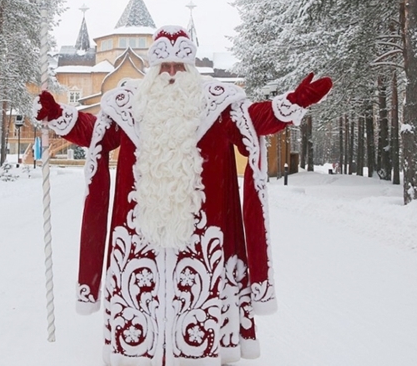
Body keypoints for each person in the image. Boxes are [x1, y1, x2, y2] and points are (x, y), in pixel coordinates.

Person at [34, 25, 332, 366]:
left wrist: (295, 101)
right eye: (164, 66)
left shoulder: (217, 105)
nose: (171, 73)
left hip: (201, 237)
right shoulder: (129, 105)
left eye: (179, 66)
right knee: (137, 309)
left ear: (191, 68)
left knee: (198, 302)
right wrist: (57, 115)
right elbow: (93, 131)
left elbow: (256, 119)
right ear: (152, 69)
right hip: (138, 236)